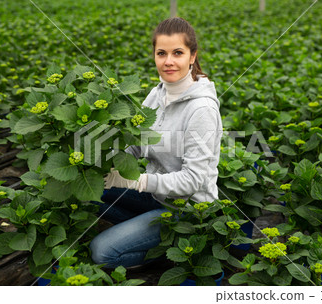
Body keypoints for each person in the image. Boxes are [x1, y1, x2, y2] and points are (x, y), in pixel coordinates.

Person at [89, 17, 223, 268]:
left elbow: (194, 180)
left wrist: (136, 181)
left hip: (186, 210)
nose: (168, 61)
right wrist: (110, 159)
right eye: (161, 53)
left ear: (192, 56)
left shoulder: (201, 109)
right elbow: (138, 142)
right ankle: (141, 231)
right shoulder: (158, 92)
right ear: (154, 55)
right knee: (88, 190)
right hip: (155, 196)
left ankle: (176, 249)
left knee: (101, 252)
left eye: (178, 53)